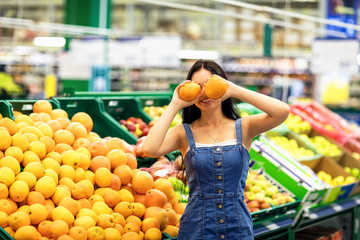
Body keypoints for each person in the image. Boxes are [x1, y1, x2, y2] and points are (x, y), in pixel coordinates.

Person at [142, 60, 290, 240]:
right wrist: (175, 104)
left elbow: (282, 111)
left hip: (238, 230)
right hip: (196, 230)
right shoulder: (183, 133)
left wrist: (234, 90)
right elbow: (149, 149)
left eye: (209, 84)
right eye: (197, 87)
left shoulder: (244, 127)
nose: (204, 93)